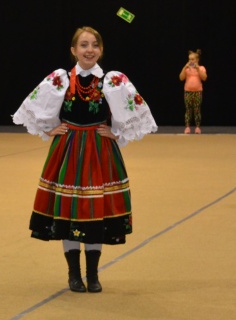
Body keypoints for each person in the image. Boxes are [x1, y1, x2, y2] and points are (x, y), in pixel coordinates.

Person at [12, 26, 157, 292]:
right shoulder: (61, 79)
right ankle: (73, 274)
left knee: (95, 211)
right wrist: (49, 129)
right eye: (84, 45)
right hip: (68, 150)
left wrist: (117, 133)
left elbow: (135, 111)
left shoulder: (113, 81)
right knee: (69, 212)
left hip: (100, 151)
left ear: (101, 50)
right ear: (73, 50)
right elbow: (36, 108)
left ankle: (93, 274)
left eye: (95, 45)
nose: (90, 50)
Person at [179, 49, 208, 134]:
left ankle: (197, 127)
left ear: (197, 60)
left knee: (197, 110)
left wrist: (198, 68)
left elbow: (204, 78)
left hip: (197, 92)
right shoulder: (187, 69)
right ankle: (187, 127)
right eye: (189, 59)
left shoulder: (201, 68)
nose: (191, 61)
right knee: (188, 109)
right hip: (188, 92)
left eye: (192, 59)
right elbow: (181, 78)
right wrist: (185, 67)